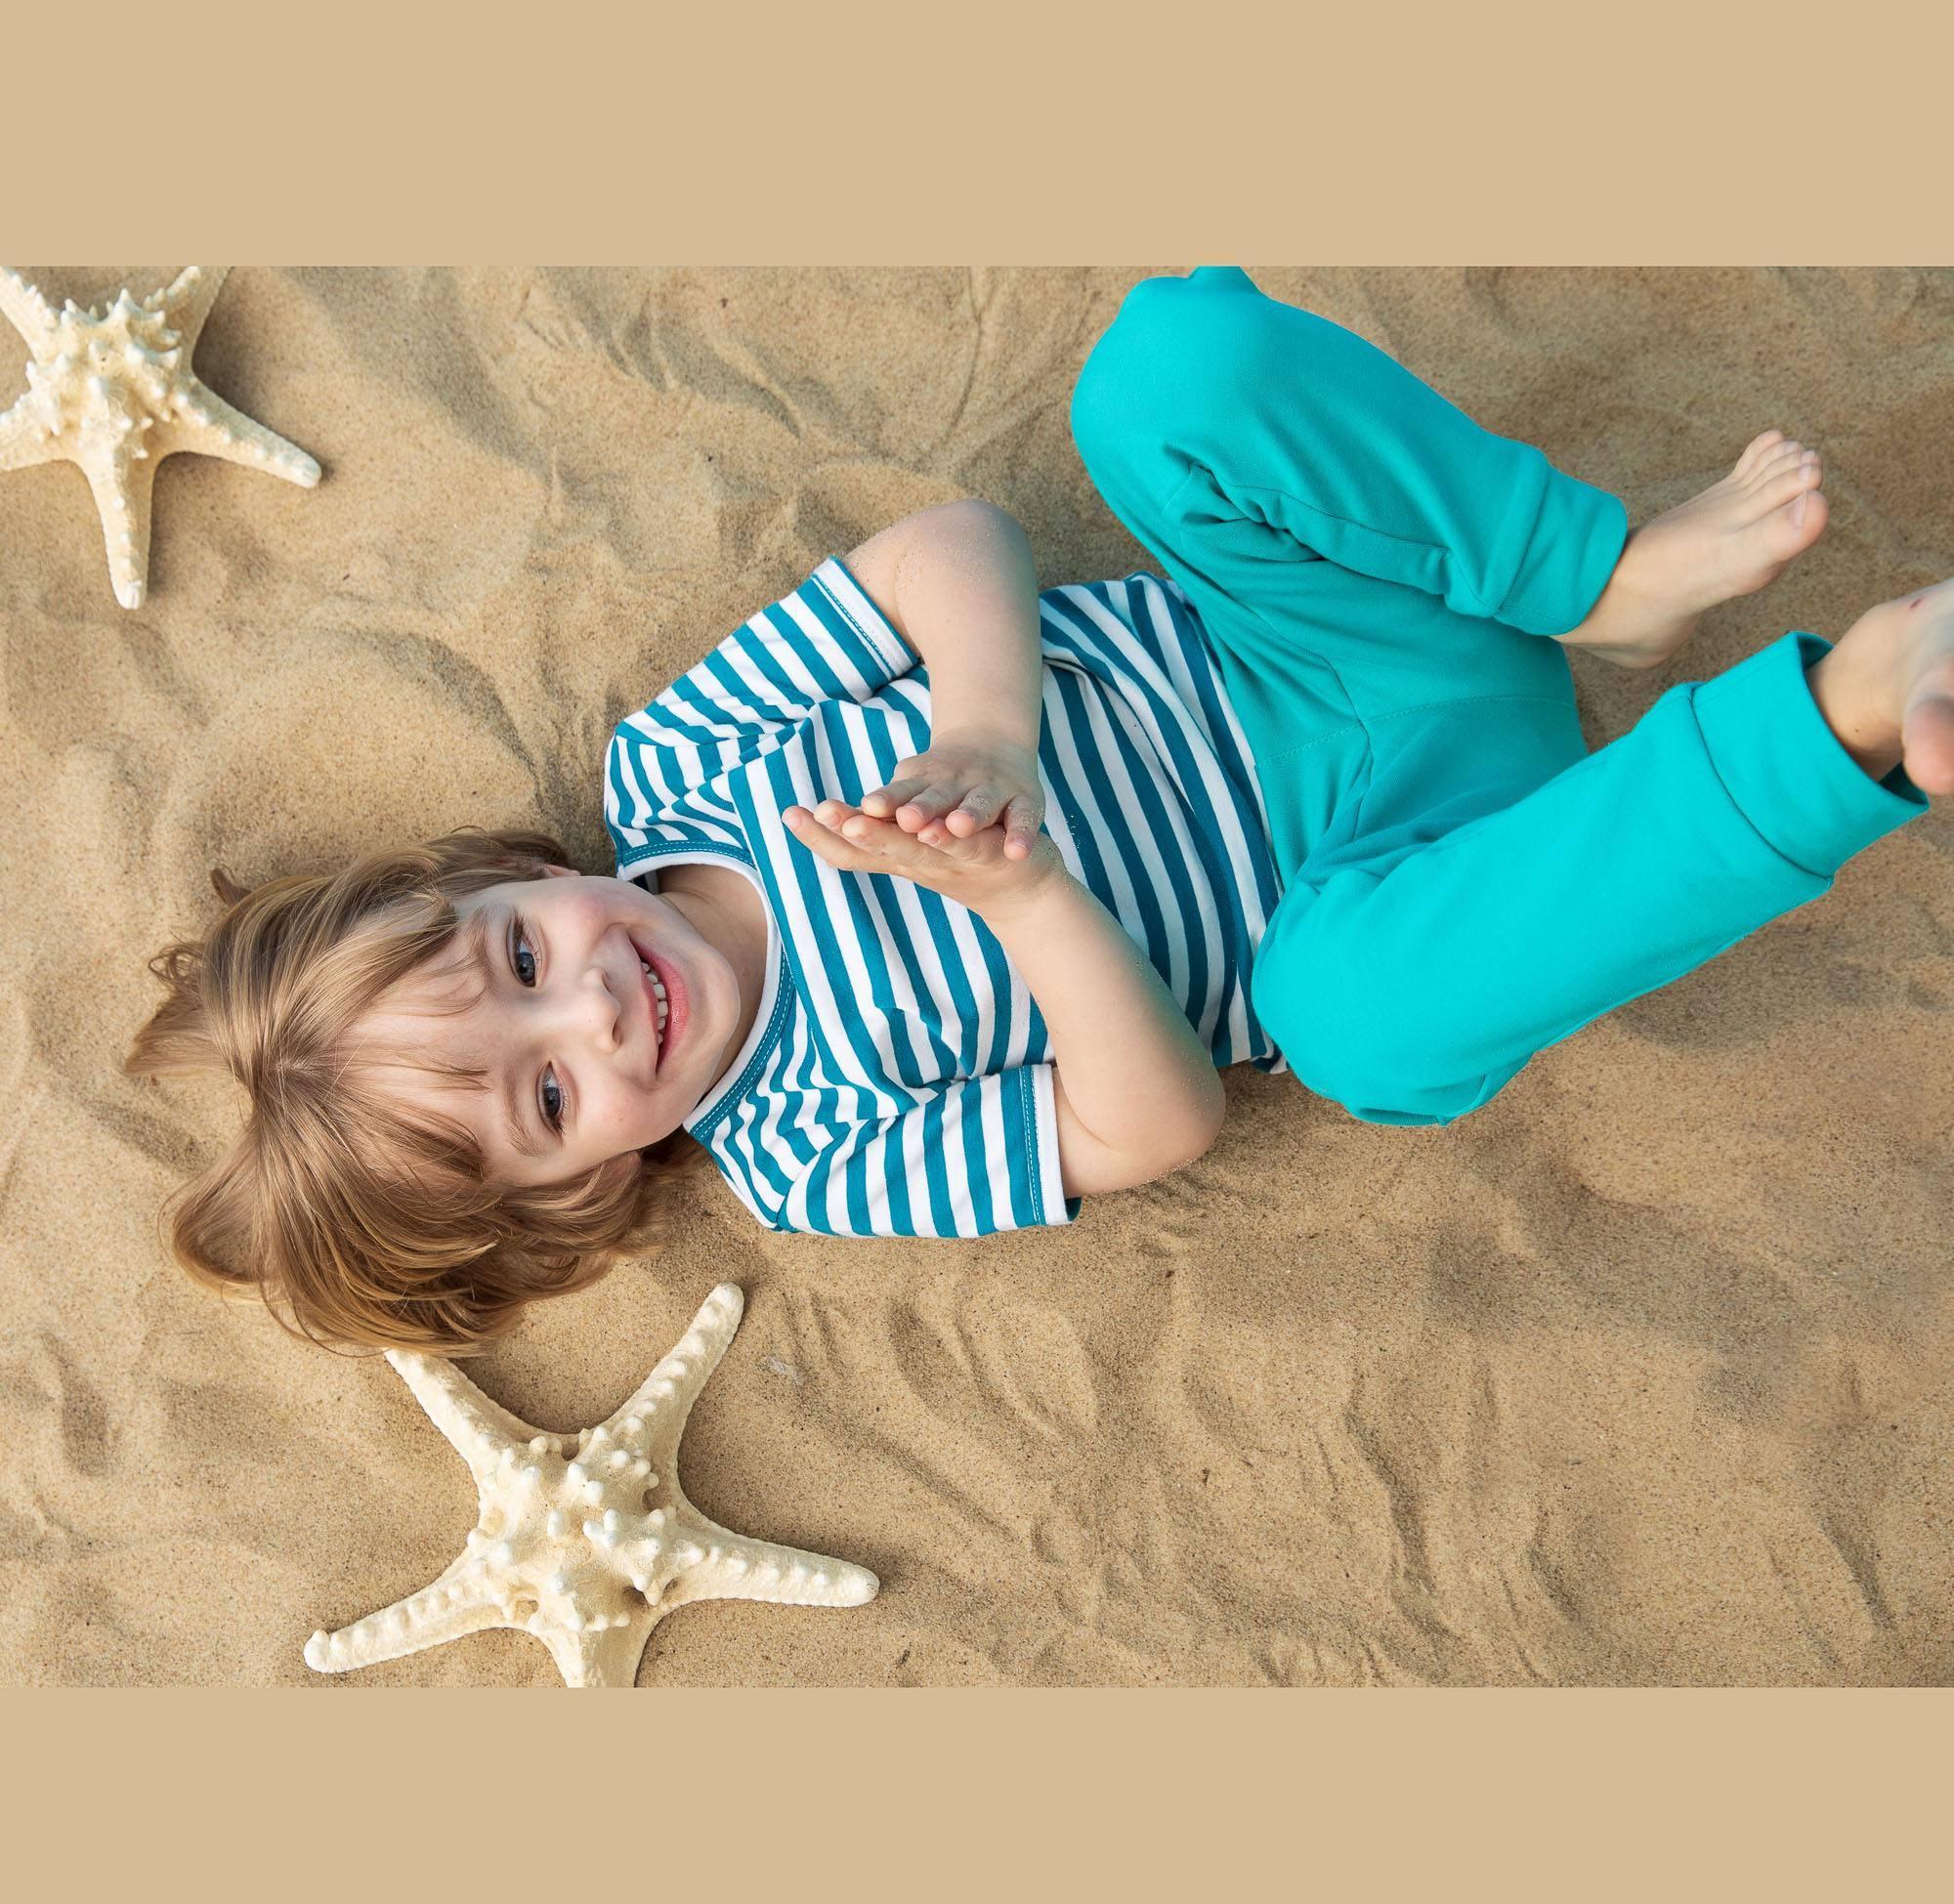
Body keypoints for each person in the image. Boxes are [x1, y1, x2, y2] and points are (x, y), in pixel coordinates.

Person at [125, 266, 1947, 1355]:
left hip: (1324, 628)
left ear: (511, 879)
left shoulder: (678, 771)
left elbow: (944, 550)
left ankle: (1589, 574)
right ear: (580, 1185)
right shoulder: (813, 1152)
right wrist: (1037, 909)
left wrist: (989, 728)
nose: (589, 1004)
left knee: (1163, 372)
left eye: (518, 953)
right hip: (1394, 883)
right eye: (543, 1092)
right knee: (1353, 1030)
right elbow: (1154, 1129)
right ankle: (1836, 726)